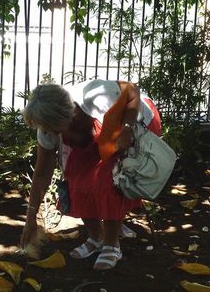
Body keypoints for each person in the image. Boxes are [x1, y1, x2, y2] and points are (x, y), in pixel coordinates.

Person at [21, 79, 162, 270]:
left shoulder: (96, 96)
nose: (49, 133)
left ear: (71, 116)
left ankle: (112, 244)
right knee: (75, 179)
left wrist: (127, 129)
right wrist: (31, 217)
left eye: (54, 129)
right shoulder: (48, 127)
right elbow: (41, 173)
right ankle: (97, 237)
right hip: (100, 134)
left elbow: (132, 91)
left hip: (134, 119)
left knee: (109, 181)